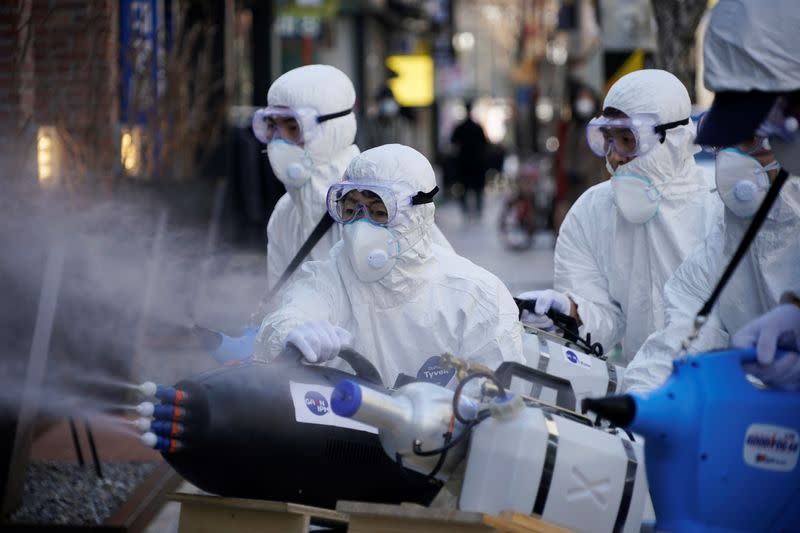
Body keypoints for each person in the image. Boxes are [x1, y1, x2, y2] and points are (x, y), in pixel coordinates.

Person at [623, 0, 800, 392]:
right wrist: (641, 403)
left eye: (756, 135)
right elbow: (685, 320)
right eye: (728, 142)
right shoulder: (734, 232)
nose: (734, 160)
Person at [253, 144, 524, 386]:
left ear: (417, 215)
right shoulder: (330, 277)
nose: (361, 227)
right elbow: (290, 312)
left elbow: (496, 406)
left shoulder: (475, 297)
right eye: (351, 210)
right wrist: (292, 334)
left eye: (379, 212)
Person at [516, 69, 721, 365]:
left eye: (627, 139)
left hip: (721, 387)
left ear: (673, 139)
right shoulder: (592, 213)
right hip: (642, 388)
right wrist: (571, 312)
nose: (614, 156)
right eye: (607, 140)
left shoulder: (717, 206)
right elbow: (606, 319)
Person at [252, 65, 361, 295]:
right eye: (272, 127)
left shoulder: (372, 207)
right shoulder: (285, 213)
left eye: (293, 128)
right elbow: (278, 304)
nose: (279, 142)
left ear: (332, 130)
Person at [552, 80, 607, 232]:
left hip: (591, 182)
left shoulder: (598, 126)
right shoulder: (573, 126)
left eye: (587, 97)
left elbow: (600, 154)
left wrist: (583, 171)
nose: (583, 102)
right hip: (572, 184)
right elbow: (566, 152)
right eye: (580, 98)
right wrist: (568, 171)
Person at [451, 100, 489, 219]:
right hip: (477, 162)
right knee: (478, 187)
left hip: (464, 162)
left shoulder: (460, 127)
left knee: (464, 187)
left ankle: (466, 209)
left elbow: (453, 141)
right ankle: (478, 209)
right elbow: (485, 143)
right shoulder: (477, 127)